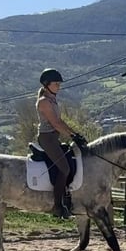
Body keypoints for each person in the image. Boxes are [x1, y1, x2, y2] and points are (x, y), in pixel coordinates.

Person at [35, 68, 88, 219]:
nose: (59, 86)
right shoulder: (44, 102)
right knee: (64, 168)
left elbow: (61, 122)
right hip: (47, 138)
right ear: (47, 85)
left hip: (54, 137)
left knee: (70, 160)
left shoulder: (52, 100)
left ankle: (68, 197)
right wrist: (72, 135)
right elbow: (55, 123)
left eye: (59, 83)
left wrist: (75, 134)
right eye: (56, 83)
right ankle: (57, 206)